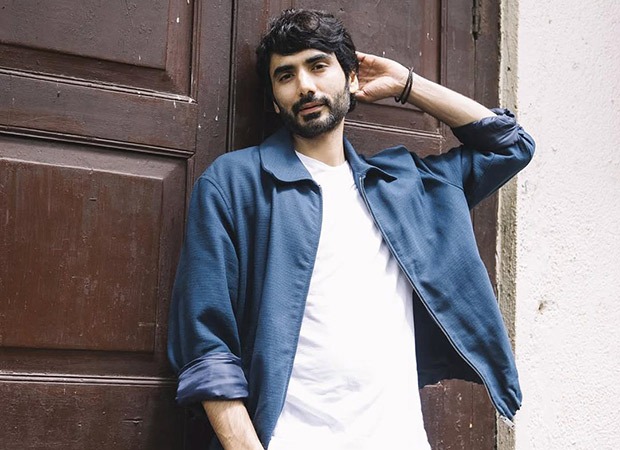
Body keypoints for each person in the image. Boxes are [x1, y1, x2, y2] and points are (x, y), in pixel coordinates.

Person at [167, 8, 534, 450]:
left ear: (351, 77)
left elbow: (510, 145)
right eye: (286, 75)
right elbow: (206, 344)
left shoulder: (402, 186)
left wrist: (406, 84)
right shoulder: (234, 183)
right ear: (274, 100)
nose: (305, 85)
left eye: (318, 65)